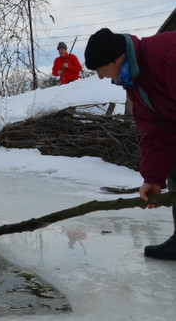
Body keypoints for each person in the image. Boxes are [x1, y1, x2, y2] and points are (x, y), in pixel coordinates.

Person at [85, 27, 176, 260]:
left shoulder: (166, 57)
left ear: (115, 59)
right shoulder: (136, 81)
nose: (100, 77)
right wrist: (154, 179)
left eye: (100, 69)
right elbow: (158, 131)